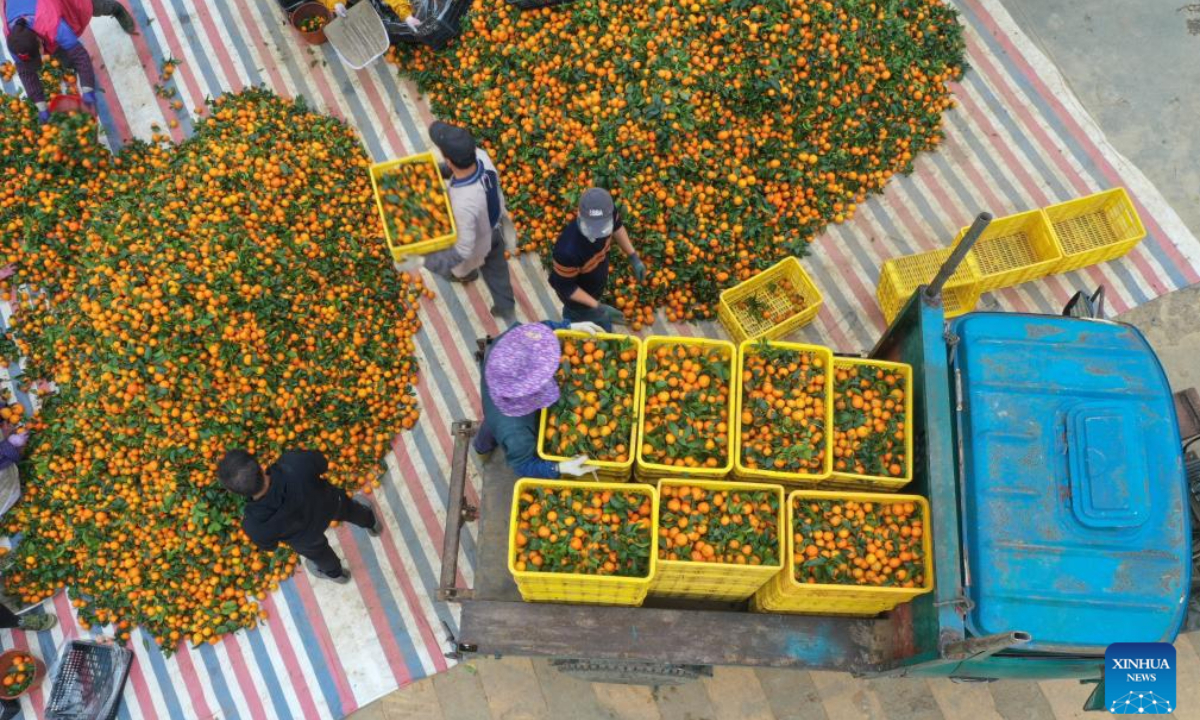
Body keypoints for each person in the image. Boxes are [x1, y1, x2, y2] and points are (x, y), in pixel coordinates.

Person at [217, 448, 381, 584]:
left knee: (320, 555)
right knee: (351, 510)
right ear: (259, 465)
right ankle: (372, 523)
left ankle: (338, 575)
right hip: (330, 503)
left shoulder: (254, 525)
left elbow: (270, 546)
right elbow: (321, 462)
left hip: (305, 539)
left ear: (234, 492)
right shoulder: (293, 463)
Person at [410, 121, 518, 325]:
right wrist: (434, 172)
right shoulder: (481, 157)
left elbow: (464, 248)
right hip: (495, 226)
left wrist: (429, 259)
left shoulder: (462, 202)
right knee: (498, 274)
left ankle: (466, 276)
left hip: (478, 240)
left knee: (455, 264)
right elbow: (456, 169)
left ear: (448, 159)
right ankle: (506, 308)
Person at [475, 319, 605, 478]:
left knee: (491, 421)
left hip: (494, 393)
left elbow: (537, 331)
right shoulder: (517, 434)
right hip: (502, 416)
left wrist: (567, 327)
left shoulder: (506, 346)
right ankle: (482, 451)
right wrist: (558, 468)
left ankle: (481, 445)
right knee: (494, 425)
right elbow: (523, 466)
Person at [3, 0, 138, 123]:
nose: (42, 56)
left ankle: (116, 9)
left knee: (89, 6)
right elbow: (27, 74)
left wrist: (87, 91)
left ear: (39, 40)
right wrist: (41, 107)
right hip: (33, 8)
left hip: (51, 6)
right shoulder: (15, 41)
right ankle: (72, 66)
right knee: (58, 50)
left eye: (39, 53)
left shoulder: (51, 24)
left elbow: (80, 55)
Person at [548, 187, 647, 332]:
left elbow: (617, 227)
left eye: (602, 226)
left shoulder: (608, 213)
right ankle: (574, 322)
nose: (599, 231)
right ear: (579, 215)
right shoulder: (567, 251)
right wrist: (596, 307)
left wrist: (633, 256)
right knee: (584, 325)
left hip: (594, 283)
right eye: (593, 226)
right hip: (576, 299)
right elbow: (566, 288)